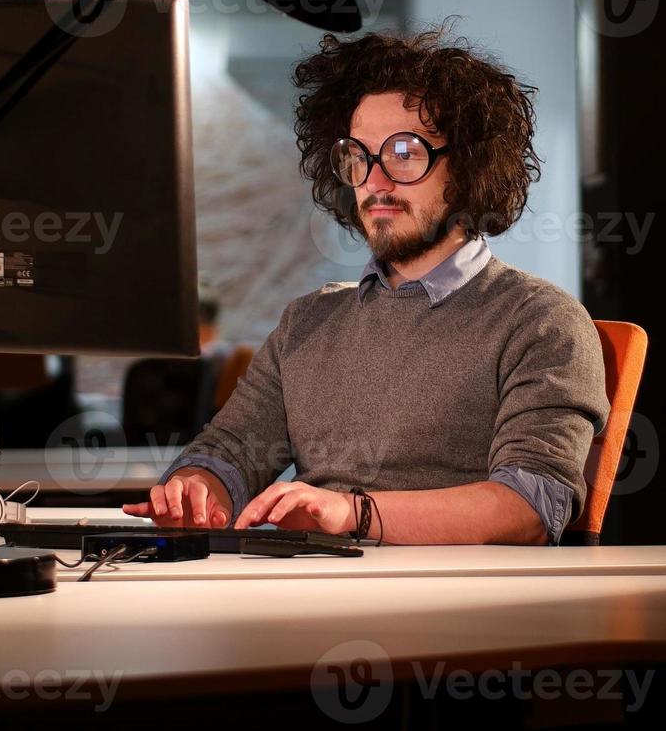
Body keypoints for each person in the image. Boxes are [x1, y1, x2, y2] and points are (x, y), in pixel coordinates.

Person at [122, 30, 607, 544]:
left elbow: (529, 508)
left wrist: (354, 514)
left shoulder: (540, 320)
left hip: (462, 607)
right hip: (312, 600)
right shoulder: (306, 323)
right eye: (358, 155)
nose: (375, 181)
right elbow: (232, 449)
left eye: (404, 152)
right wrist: (198, 486)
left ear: (467, 167)